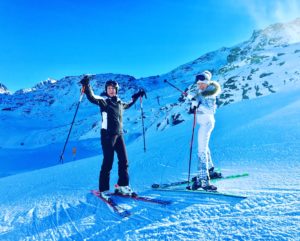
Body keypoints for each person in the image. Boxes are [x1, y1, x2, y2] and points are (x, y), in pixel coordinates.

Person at [80, 75, 146, 199]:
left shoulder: (120, 103)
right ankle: (104, 189)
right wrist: (87, 86)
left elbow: (129, 103)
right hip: (107, 135)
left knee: (124, 161)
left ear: (116, 90)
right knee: (108, 162)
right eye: (109, 88)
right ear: (106, 89)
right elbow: (92, 97)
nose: (111, 90)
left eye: (113, 88)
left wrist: (138, 95)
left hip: (119, 134)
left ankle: (122, 186)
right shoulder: (104, 101)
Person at [189, 70, 222, 191]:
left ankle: (203, 181)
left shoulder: (211, 94)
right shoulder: (201, 92)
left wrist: (197, 105)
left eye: (202, 83)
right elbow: (197, 103)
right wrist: (193, 105)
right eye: (198, 83)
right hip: (203, 123)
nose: (200, 85)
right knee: (205, 147)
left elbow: (210, 110)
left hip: (207, 124)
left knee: (201, 150)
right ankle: (211, 170)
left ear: (207, 82)